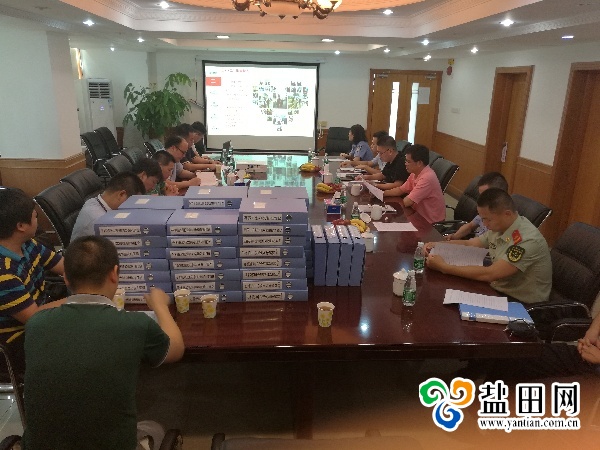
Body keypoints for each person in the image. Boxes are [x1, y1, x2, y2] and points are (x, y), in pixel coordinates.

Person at [22, 236, 184, 450]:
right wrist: (160, 306)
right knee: (154, 428)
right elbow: (175, 349)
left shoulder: (36, 324)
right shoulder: (135, 324)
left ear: (66, 278)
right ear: (114, 274)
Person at [425, 188, 552, 304]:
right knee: (445, 290)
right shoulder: (501, 226)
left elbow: (490, 274)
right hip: (498, 287)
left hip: (519, 303)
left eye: (488, 219)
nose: (485, 224)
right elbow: (470, 244)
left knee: (449, 299)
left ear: (507, 214)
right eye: (483, 219)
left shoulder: (527, 240)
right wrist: (438, 245)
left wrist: (444, 267)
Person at [0, 188, 65, 371]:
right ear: (21, 226)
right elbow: (35, 319)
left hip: (40, 317)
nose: (38, 220)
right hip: (16, 343)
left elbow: (64, 266)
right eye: (35, 216)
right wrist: (80, 299)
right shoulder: (4, 273)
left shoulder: (28, 244)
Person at [71, 172, 146, 241]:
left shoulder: (96, 200)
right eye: (133, 203)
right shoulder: (98, 222)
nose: (133, 208)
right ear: (121, 194)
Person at [384, 144, 445, 222]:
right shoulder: (415, 172)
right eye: (406, 161)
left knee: (391, 221)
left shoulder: (427, 178)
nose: (405, 164)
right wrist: (382, 194)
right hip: (416, 214)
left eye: (408, 161)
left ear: (419, 163)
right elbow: (400, 190)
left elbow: (407, 202)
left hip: (429, 222)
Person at [444, 172, 509, 240]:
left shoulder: (502, 222)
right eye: (480, 195)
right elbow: (470, 225)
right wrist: (454, 237)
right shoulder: (485, 210)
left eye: (484, 196)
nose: (480, 199)